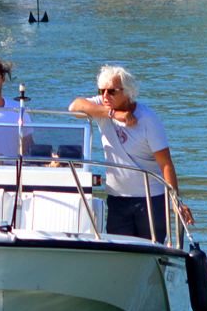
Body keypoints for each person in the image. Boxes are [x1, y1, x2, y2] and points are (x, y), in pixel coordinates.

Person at [68, 65, 191, 243]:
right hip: (117, 200)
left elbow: (166, 164)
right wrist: (112, 113)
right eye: (101, 91)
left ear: (127, 92)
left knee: (150, 249)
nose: (105, 96)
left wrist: (175, 200)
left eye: (112, 91)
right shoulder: (104, 107)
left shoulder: (148, 119)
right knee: (119, 251)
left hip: (150, 200)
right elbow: (75, 106)